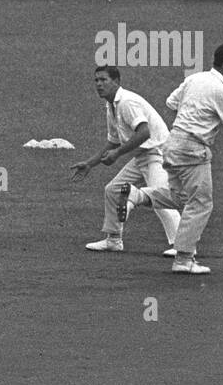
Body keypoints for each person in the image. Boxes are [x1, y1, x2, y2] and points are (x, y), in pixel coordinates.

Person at [124, 43, 223, 275]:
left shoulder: (195, 79)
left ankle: (137, 195)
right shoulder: (222, 92)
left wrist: (194, 109)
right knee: (201, 202)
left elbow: (171, 101)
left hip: (172, 143)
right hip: (193, 149)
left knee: (182, 197)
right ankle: (184, 258)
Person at [70, 66, 181, 258]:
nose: (98, 84)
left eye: (103, 80)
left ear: (116, 82)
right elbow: (113, 141)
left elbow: (144, 132)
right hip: (142, 155)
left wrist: (118, 153)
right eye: (96, 80)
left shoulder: (127, 102)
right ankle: (113, 240)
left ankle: (181, 245)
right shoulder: (110, 105)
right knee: (113, 189)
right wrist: (90, 163)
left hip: (159, 153)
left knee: (160, 197)